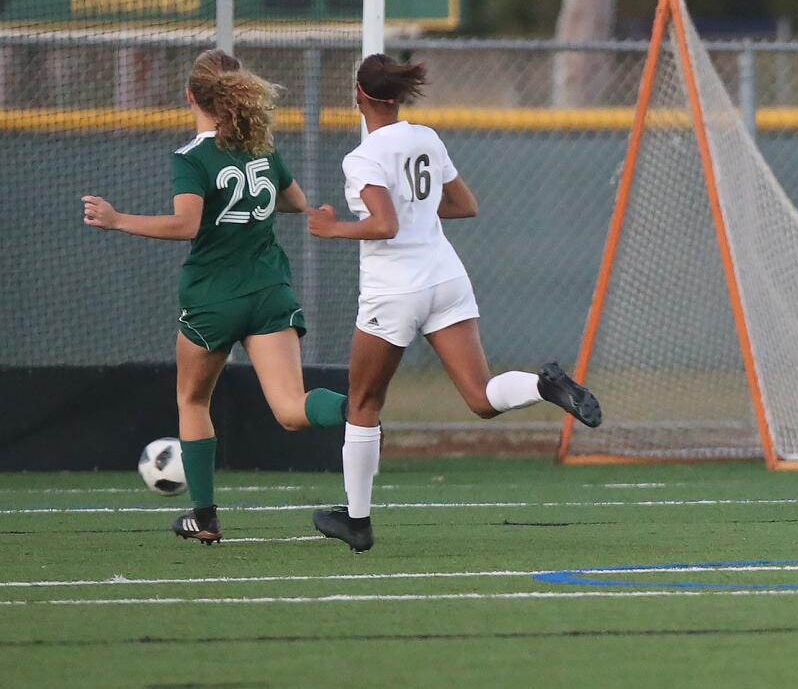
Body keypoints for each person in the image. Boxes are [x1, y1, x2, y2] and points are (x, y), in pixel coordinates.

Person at [306, 54, 603, 552]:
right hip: (445, 277)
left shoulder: (361, 157)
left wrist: (331, 227)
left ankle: (357, 521)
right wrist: (414, 207)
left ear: (359, 96)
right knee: (481, 397)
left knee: (362, 403)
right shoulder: (425, 137)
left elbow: (384, 225)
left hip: (395, 289)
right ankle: (542, 384)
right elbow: (465, 204)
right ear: (396, 97)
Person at [82, 49, 348, 544]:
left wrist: (118, 220)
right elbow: (297, 202)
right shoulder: (261, 148)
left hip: (212, 301)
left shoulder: (192, 158)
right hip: (270, 292)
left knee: (192, 398)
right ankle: (359, 410)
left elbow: (186, 225)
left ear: (191, 96)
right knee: (292, 409)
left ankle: (204, 516)